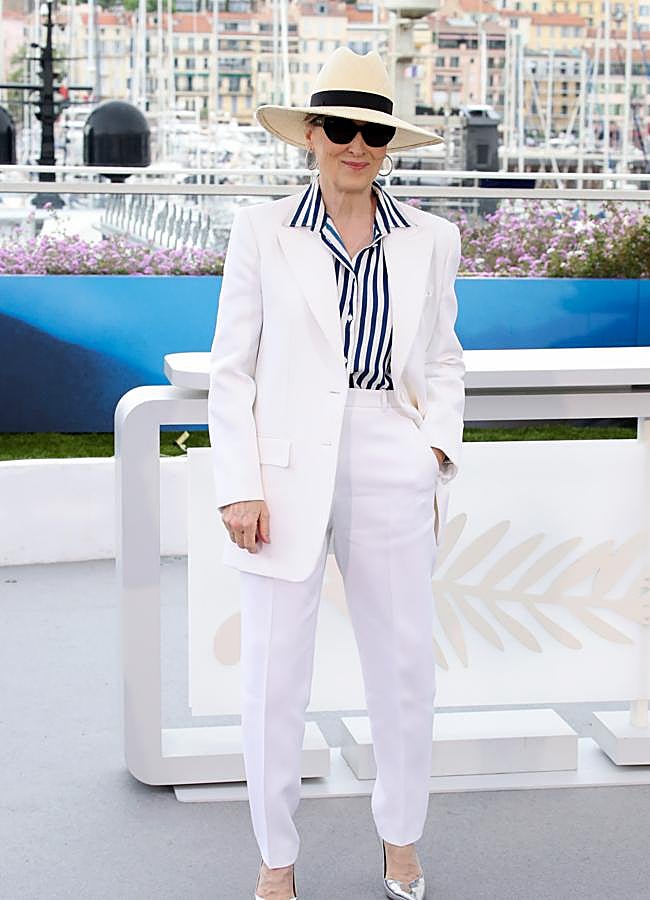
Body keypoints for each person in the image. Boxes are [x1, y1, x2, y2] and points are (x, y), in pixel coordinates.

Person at [208, 45, 466, 900]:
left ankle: (402, 841)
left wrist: (434, 449)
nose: (358, 145)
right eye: (343, 128)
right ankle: (275, 862)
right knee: (274, 675)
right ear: (312, 135)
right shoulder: (261, 231)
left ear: (389, 144)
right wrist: (239, 482)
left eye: (375, 132)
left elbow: (444, 358)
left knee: (402, 668)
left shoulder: (433, 239)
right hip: (281, 471)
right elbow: (232, 370)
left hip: (393, 451)